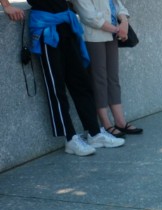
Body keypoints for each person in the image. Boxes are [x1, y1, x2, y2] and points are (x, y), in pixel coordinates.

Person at [1, 0, 124, 156]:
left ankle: (94, 133)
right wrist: (7, 6)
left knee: (82, 82)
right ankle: (70, 138)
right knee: (56, 85)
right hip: (46, 26)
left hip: (66, 22)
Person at [71, 0, 142, 138]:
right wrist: (117, 29)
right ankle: (106, 123)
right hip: (94, 36)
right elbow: (89, 16)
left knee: (113, 78)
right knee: (99, 79)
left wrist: (124, 23)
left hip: (113, 34)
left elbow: (118, 5)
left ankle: (120, 121)